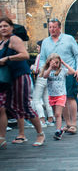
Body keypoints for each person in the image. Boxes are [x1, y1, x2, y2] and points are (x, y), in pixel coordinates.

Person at [0, 17, 45, 147]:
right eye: (0, 26)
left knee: (24, 106)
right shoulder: (2, 42)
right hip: (7, 79)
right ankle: (2, 138)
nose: (3, 28)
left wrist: (7, 58)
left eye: (5, 26)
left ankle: (40, 134)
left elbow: (25, 55)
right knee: (2, 106)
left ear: (11, 27)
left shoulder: (14, 39)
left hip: (20, 76)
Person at [39, 18, 78, 135]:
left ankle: (74, 124)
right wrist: (41, 70)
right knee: (60, 100)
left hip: (68, 72)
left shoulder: (69, 39)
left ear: (59, 28)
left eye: (54, 27)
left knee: (70, 97)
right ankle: (67, 123)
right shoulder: (45, 42)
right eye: (50, 27)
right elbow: (42, 58)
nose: (52, 29)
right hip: (53, 76)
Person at [41, 53, 76, 140]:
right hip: (52, 96)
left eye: (57, 63)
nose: (56, 65)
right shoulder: (48, 71)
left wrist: (63, 63)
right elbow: (44, 76)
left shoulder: (62, 70)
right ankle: (59, 129)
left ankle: (57, 131)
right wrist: (50, 67)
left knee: (57, 114)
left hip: (61, 95)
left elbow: (72, 72)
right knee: (55, 114)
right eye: (54, 63)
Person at [31, 40, 55, 128]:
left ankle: (42, 120)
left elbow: (36, 69)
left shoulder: (39, 56)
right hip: (47, 79)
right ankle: (51, 119)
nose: (37, 48)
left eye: (38, 47)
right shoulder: (49, 56)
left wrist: (32, 66)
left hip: (41, 78)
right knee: (47, 100)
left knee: (36, 100)